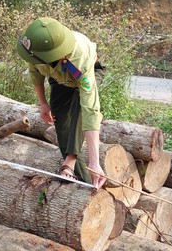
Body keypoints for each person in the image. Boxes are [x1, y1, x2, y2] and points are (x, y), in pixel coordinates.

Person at [16, 17, 107, 188]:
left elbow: (90, 110)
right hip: (59, 78)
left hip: (86, 73)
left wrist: (94, 161)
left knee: (78, 108)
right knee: (61, 123)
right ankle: (80, 177)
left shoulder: (81, 60)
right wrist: (43, 103)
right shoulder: (35, 49)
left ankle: (75, 167)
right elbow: (35, 73)